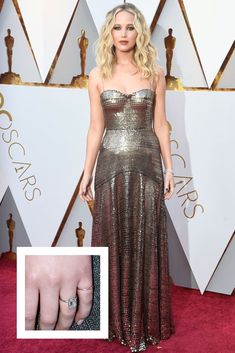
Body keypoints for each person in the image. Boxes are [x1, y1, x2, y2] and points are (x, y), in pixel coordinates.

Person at [79, 2, 175, 351]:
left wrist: (169, 168)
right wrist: (86, 172)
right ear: (110, 32)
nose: (123, 34)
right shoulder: (97, 75)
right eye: (117, 28)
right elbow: (95, 128)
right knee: (112, 239)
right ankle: (115, 319)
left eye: (130, 28)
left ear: (139, 32)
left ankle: (145, 321)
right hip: (110, 169)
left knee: (145, 238)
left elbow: (160, 124)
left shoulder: (155, 73)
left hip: (147, 166)